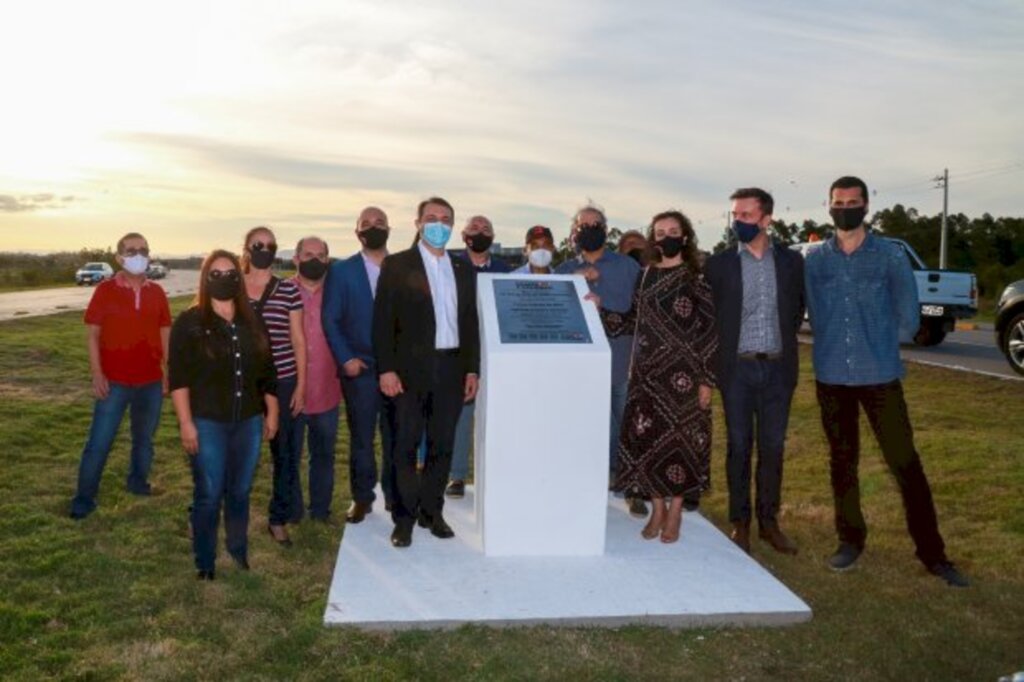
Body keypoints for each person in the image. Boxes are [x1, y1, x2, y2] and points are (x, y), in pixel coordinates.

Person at [805, 175, 968, 587]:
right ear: (828, 206)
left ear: (866, 205)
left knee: (905, 463)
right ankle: (850, 540)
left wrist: (879, 339)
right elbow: (807, 308)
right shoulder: (816, 260)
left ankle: (933, 554)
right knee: (842, 463)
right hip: (831, 375)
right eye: (838, 202)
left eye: (853, 201)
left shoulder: (889, 256)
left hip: (879, 375)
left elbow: (908, 314)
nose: (845, 207)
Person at [598, 210, 717, 543]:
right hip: (647, 375)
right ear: (653, 238)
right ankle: (657, 509)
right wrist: (599, 308)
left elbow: (709, 330)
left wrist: (707, 379)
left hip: (685, 377)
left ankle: (676, 510)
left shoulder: (697, 276)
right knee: (647, 442)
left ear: (685, 235)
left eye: (673, 230)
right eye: (660, 231)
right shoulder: (646, 275)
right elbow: (630, 320)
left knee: (681, 444)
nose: (666, 236)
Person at [373, 196, 480, 548]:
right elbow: (382, 323)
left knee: (442, 445)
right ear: (418, 223)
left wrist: (472, 370)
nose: (439, 224)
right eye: (431, 217)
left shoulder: (464, 270)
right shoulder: (398, 265)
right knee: (404, 445)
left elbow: (469, 323)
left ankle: (432, 512)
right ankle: (403, 519)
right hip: (407, 372)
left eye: (446, 218)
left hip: (450, 369)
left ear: (453, 225)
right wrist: (386, 369)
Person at [705, 188, 805, 555]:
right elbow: (711, 319)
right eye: (735, 215)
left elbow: (795, 312)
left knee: (773, 448)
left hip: (778, 370)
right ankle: (740, 523)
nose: (738, 223)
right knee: (738, 446)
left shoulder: (793, 262)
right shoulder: (718, 265)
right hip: (737, 372)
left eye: (746, 216)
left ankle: (769, 523)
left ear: (766, 219)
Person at [169, 250, 279, 579]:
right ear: (205, 279)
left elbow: (267, 370)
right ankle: (205, 560)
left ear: (239, 279)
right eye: (215, 273)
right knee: (209, 492)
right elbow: (178, 378)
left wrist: (271, 412)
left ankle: (238, 547)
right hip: (206, 422)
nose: (224, 279)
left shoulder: (252, 320)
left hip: (247, 421)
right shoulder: (189, 322)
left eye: (230, 272)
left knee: (241, 491)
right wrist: (186, 423)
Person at [70, 232, 171, 520]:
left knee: (144, 439)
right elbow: (93, 336)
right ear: (119, 257)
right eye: (131, 250)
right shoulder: (105, 291)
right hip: (113, 382)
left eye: (142, 249)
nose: (137, 254)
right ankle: (84, 499)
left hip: (150, 381)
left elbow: (165, 332)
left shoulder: (157, 292)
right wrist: (97, 374)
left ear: (149, 254)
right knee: (99, 442)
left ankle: (138, 482)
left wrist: (169, 371)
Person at [555, 205, 644, 516]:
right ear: (574, 231)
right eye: (584, 224)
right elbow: (555, 316)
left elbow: (640, 312)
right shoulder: (564, 271)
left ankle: (631, 486)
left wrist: (604, 305)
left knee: (626, 424)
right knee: (585, 426)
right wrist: (576, 281)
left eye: (597, 223)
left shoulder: (627, 267)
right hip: (579, 367)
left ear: (606, 229)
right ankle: (586, 485)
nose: (590, 228)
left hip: (620, 359)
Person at [323, 206, 397, 522]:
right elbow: (331, 319)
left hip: (399, 369)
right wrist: (346, 358)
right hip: (361, 370)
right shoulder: (341, 271)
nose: (373, 227)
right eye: (366, 223)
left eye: (379, 222)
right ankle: (363, 498)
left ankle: (396, 496)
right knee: (362, 439)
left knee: (397, 436)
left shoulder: (404, 267)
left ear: (389, 229)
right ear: (357, 232)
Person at [241, 226, 306, 546]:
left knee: (285, 454)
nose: (264, 249)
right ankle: (214, 512)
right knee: (232, 453)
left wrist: (301, 385)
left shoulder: (288, 291)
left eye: (270, 245)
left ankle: (278, 518)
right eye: (258, 244)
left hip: (283, 381)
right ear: (246, 249)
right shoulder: (231, 287)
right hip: (240, 383)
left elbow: (298, 339)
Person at [444, 215, 511, 498]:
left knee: (499, 416)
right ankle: (456, 475)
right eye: (474, 228)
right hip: (461, 350)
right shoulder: (449, 265)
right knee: (461, 414)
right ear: (463, 234)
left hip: (496, 351)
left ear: (493, 236)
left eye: (486, 228)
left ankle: (499, 472)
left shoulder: (505, 270)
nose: (480, 232)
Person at [290, 236, 342, 521]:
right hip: (290, 392)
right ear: (296, 258)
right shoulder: (282, 292)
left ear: (328, 260)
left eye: (321, 255)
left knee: (323, 456)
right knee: (289, 456)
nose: (314, 260)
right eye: (308, 254)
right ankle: (293, 510)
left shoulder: (337, 293)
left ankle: (320, 510)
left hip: (327, 390)